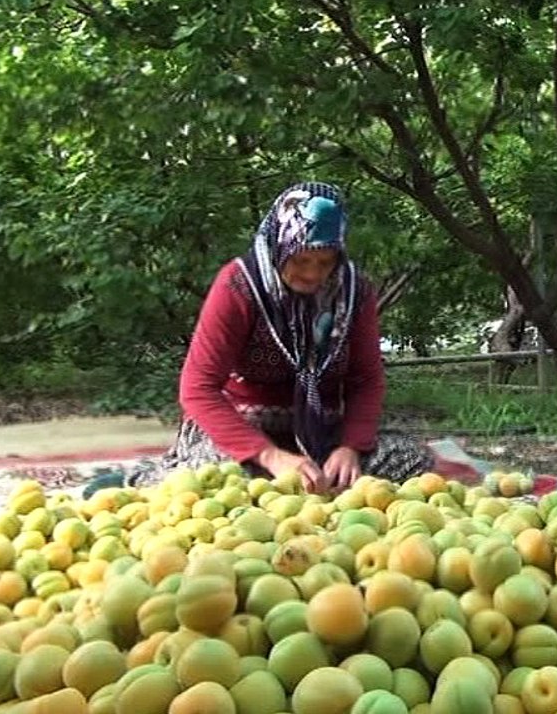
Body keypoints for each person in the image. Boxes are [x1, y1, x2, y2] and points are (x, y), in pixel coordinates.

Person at [148, 181, 434, 492]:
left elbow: (366, 380)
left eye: (325, 263)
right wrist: (271, 456)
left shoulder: (354, 291)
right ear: (279, 247)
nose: (312, 274)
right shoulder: (238, 285)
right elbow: (198, 388)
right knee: (220, 480)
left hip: (323, 431)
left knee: (411, 459)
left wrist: (350, 447)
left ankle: (312, 479)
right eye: (300, 260)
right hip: (244, 429)